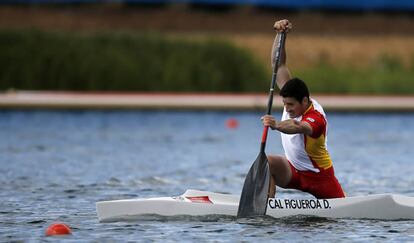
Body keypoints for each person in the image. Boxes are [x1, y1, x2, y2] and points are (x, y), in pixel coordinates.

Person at [262, 19, 345, 199]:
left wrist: (276, 125)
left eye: (290, 105)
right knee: (266, 162)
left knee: (341, 215)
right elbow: (279, 65)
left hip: (320, 178)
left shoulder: (316, 116)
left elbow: (299, 127)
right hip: (294, 171)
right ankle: (268, 206)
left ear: (305, 101)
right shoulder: (291, 98)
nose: (287, 108)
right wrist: (280, 35)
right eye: (284, 104)